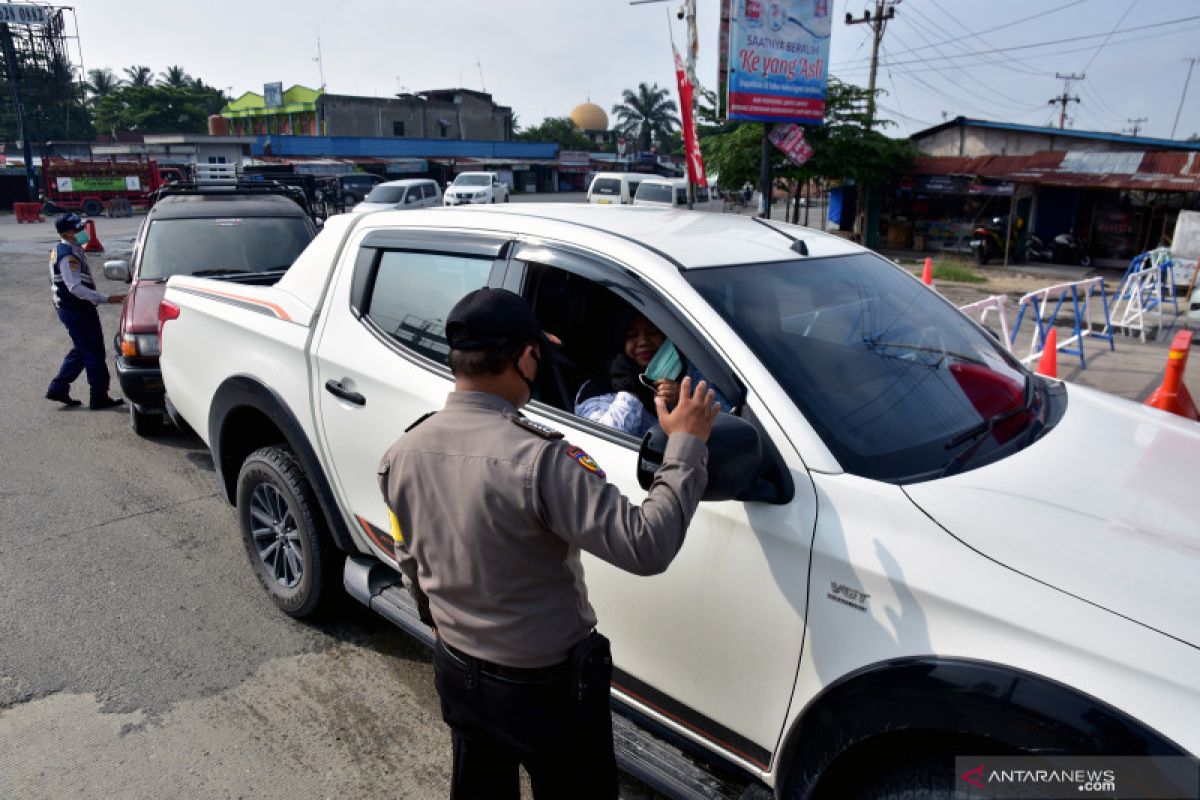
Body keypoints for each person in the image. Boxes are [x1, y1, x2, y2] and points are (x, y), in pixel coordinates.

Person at [377, 288, 719, 800]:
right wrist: (686, 444)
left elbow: (412, 562)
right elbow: (647, 545)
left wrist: (447, 627)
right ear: (524, 357)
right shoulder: (541, 462)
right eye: (538, 353)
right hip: (545, 692)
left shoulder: (401, 453)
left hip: (455, 666)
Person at [45, 213, 125, 409]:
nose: (82, 232)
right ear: (66, 233)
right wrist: (107, 299)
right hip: (76, 310)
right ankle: (98, 397)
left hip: (71, 308)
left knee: (83, 349)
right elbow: (75, 287)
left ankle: (58, 388)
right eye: (77, 229)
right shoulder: (67, 255)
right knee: (93, 352)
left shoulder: (67, 248)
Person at [575, 311, 679, 437]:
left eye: (652, 332)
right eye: (632, 335)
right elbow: (603, 440)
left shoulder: (681, 374)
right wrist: (630, 392)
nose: (643, 342)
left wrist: (679, 402)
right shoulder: (596, 388)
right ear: (619, 339)